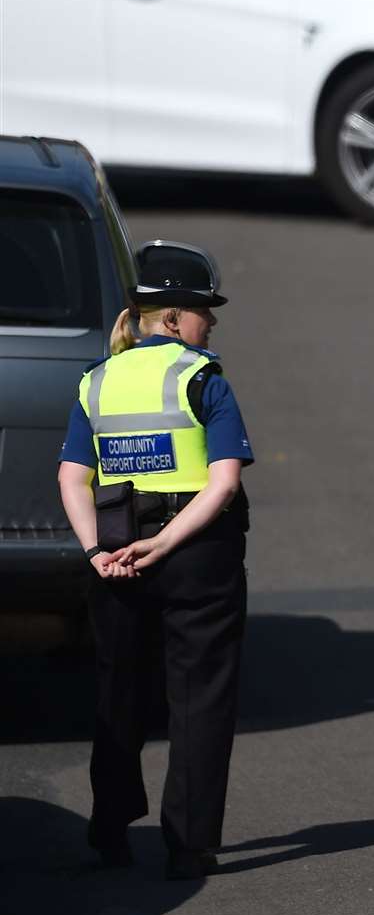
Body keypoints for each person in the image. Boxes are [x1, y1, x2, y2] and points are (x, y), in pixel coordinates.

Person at [55, 240, 252, 881]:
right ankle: (189, 844)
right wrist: (168, 542)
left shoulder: (97, 380)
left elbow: (70, 477)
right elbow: (221, 483)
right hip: (197, 554)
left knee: (119, 693)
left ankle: (109, 832)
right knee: (200, 696)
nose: (211, 323)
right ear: (170, 318)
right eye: (203, 311)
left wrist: (93, 551)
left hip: (116, 552)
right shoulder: (203, 378)